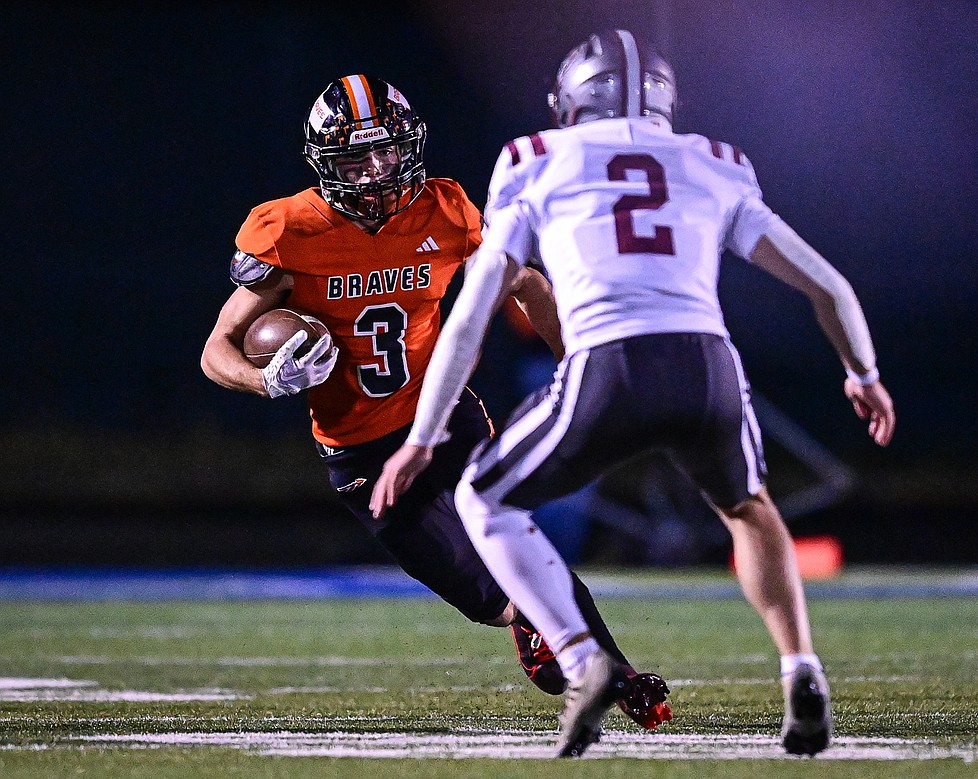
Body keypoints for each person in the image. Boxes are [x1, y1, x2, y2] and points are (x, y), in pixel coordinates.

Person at [370, 30, 896, 759]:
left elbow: (472, 308)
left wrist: (423, 436)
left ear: (571, 102)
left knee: (483, 498)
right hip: (709, 365)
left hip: (607, 363)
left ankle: (583, 656)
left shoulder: (533, 160)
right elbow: (827, 285)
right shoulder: (715, 162)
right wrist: (862, 374)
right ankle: (801, 667)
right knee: (750, 508)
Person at [200, 74, 671, 730]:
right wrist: (263, 380)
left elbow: (525, 280)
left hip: (447, 418)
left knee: (521, 544)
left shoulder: (444, 210)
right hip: (359, 449)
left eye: (386, 152)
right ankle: (533, 624)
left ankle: (616, 673)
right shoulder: (288, 230)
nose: (375, 171)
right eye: (355, 157)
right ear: (324, 162)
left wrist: (582, 360)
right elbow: (217, 347)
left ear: (409, 146)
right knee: (488, 596)